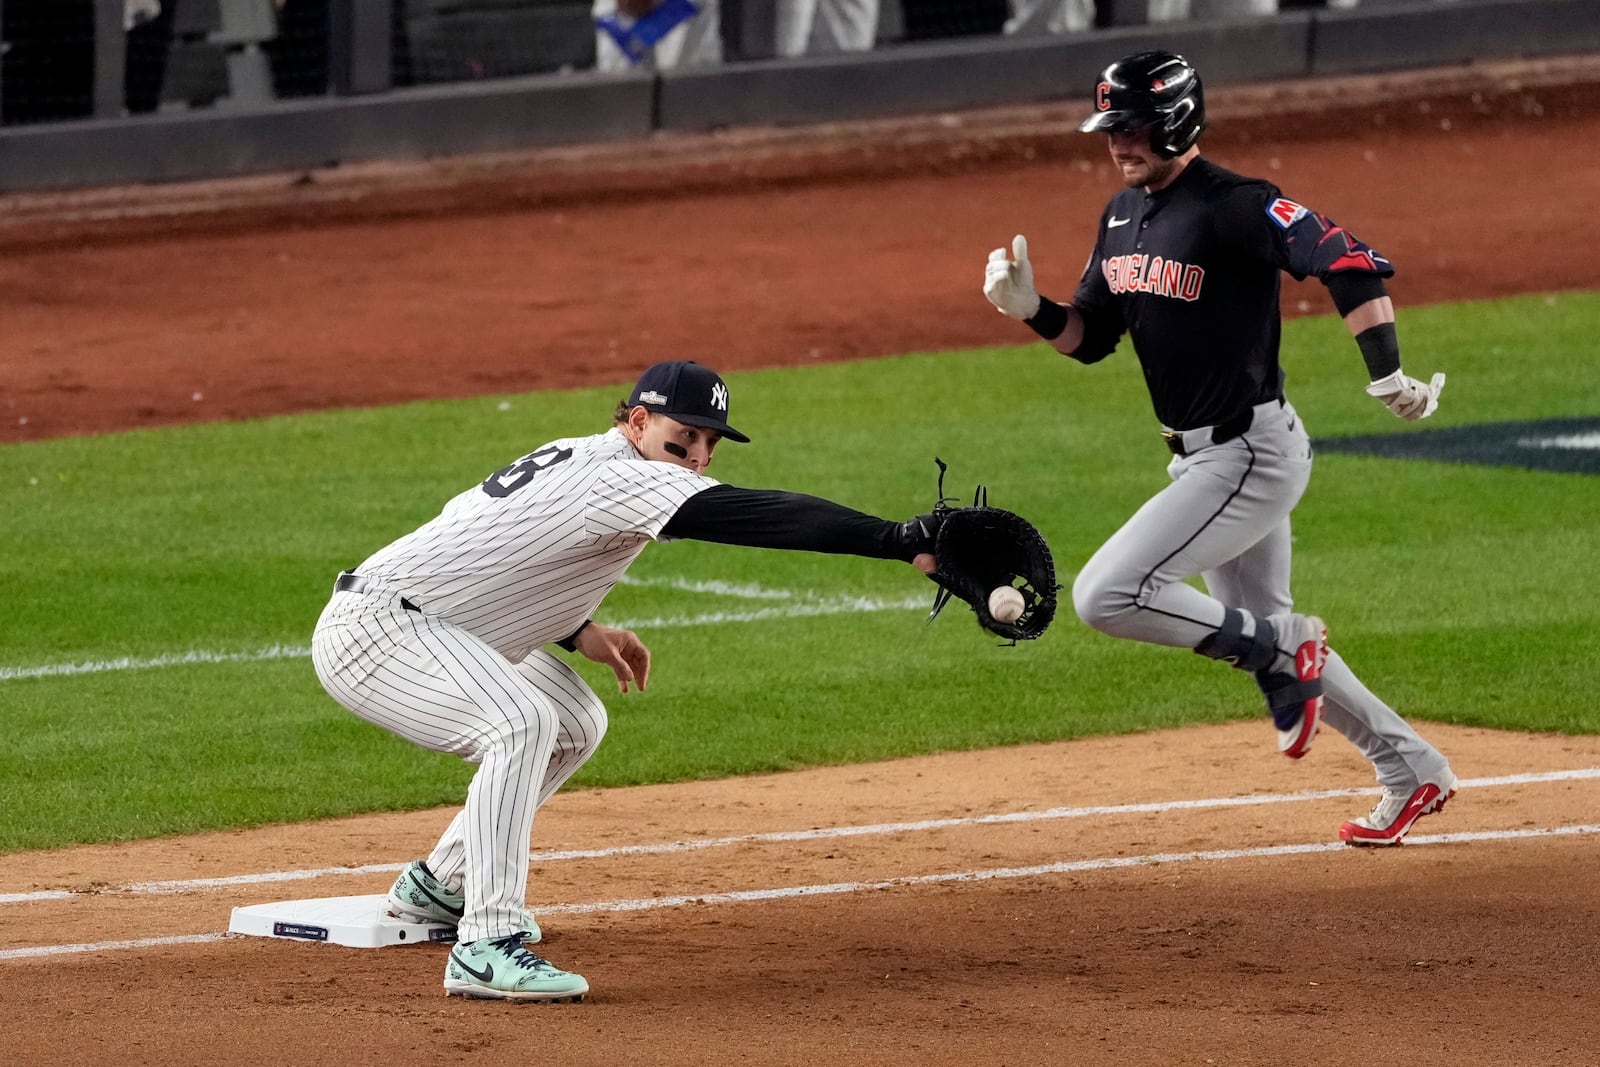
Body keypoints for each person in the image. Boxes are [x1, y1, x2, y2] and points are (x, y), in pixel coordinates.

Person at [311, 360, 944, 1001]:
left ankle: (441, 888)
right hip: (377, 632)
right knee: (521, 722)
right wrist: (897, 539)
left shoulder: (581, 457)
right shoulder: (624, 477)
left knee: (575, 722)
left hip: (438, 620)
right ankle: (485, 944)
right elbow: (753, 516)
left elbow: (501, 547)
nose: (697, 455)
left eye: (710, 441)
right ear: (638, 421)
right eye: (684, 436)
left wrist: (579, 629)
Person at [980, 50, 1457, 846]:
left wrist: (1388, 373)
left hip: (1249, 454)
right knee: (1265, 628)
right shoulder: (1123, 214)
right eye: (1110, 129)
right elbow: (1092, 338)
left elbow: (1347, 261)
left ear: (1173, 119)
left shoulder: (1236, 205)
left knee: (1110, 594)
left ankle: (1284, 648)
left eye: (1129, 127)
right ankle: (1413, 768)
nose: (1117, 144)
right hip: (1202, 457)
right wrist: (1031, 309)